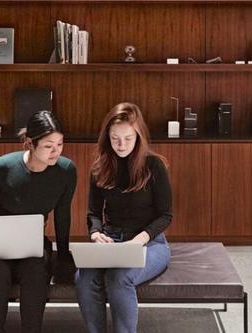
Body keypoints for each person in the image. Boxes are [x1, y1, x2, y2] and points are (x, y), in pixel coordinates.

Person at [0, 110, 77, 333]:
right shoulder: (5, 166)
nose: (56, 151)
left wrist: (63, 257)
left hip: (30, 246)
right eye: (48, 146)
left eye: (60, 144)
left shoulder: (66, 171)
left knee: (36, 272)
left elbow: (63, 215)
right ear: (30, 144)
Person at [75, 102, 173, 333]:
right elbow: (93, 212)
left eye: (128, 138)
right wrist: (96, 233)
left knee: (119, 278)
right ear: (107, 136)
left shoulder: (154, 166)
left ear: (138, 136)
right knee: (84, 278)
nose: (121, 145)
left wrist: (140, 240)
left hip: (150, 242)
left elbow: (166, 215)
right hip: (111, 240)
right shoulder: (101, 167)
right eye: (115, 138)